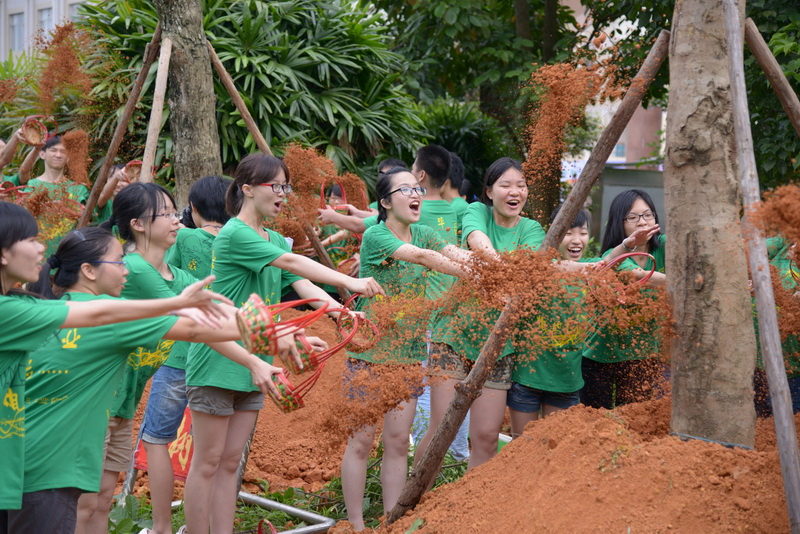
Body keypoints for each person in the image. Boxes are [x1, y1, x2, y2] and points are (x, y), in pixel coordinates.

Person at [19, 227, 287, 534]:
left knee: (94, 504)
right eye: (119, 262)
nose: (126, 269)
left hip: (36, 450)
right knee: (76, 509)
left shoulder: (47, 312)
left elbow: (196, 313)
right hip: (55, 459)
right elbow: (195, 329)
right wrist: (278, 334)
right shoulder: (109, 320)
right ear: (88, 271)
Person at [183, 153, 383, 534]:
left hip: (258, 365)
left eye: (285, 186)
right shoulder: (235, 233)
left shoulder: (272, 237)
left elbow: (301, 285)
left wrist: (341, 312)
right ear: (246, 189)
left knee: (230, 465)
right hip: (219, 359)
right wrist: (351, 283)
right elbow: (292, 264)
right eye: (275, 186)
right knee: (207, 463)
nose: (282, 194)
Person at [0, 201, 229, 532]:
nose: (41, 246)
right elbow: (99, 315)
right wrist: (182, 303)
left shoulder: (22, 304)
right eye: (31, 239)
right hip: (43, 467)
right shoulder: (15, 311)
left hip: (23, 464)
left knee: (97, 501)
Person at [340, 166, 474, 531]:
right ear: (385, 202)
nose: (415, 194)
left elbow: (454, 253)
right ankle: (355, 525)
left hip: (408, 357)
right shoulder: (375, 236)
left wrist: (491, 266)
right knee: (361, 442)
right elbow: (422, 257)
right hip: (368, 357)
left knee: (399, 443)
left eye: (417, 188)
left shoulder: (426, 231)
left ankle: (391, 521)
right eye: (405, 190)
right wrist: (474, 274)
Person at [417, 157, 545, 473]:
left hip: (500, 346)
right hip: (453, 337)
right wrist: (502, 271)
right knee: (441, 431)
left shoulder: (532, 229)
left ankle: (471, 513)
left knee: (486, 437)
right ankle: (411, 505)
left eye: (521, 185)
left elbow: (529, 271)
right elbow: (477, 241)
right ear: (489, 191)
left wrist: (499, 274)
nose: (515, 191)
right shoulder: (477, 212)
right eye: (506, 185)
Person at [507, 208, 596, 437]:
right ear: (554, 234)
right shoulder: (537, 269)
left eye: (583, 233)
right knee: (521, 448)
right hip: (527, 378)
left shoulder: (590, 271)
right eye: (568, 233)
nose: (576, 240)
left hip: (566, 383)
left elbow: (611, 264)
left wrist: (627, 245)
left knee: (554, 450)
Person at [581, 189, 668, 409]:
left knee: (635, 419)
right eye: (633, 217)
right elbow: (639, 276)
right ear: (619, 223)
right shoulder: (613, 256)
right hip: (600, 354)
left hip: (642, 354)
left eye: (648, 215)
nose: (642, 222)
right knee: (595, 421)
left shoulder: (666, 246)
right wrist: (685, 282)